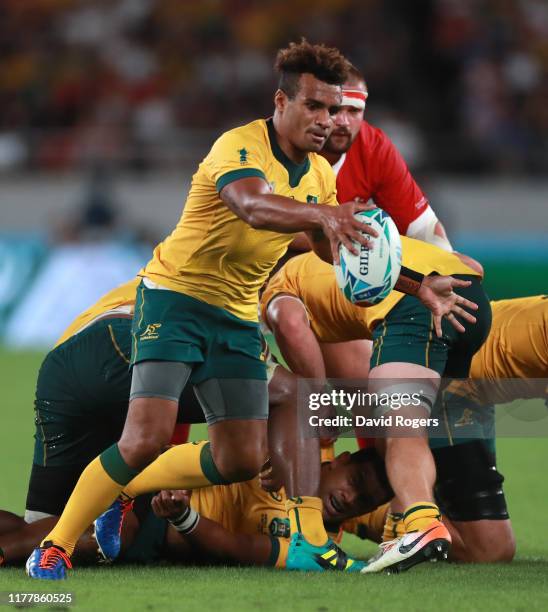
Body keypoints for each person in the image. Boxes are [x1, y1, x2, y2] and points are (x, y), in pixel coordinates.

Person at [27, 40, 478, 580]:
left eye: (333, 109)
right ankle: (53, 545)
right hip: (175, 301)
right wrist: (326, 215)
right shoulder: (238, 146)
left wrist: (414, 284)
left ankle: (142, 494)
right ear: (281, 102)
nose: (326, 121)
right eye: (313, 106)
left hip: (236, 319)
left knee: (240, 458)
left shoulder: (318, 176)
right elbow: (252, 205)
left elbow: (329, 250)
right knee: (145, 437)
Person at [261, 238, 491, 572]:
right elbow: (472, 266)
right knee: (408, 429)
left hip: (415, 312)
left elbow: (290, 322)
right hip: (470, 305)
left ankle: (420, 524)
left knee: (401, 430)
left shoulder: (280, 283)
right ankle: (408, 524)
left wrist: (317, 399)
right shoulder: (343, 254)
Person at [2, 448, 392, 568]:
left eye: (364, 501)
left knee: (26, 526)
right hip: (155, 477)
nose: (350, 498)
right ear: (339, 460)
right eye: (355, 483)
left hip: (169, 519)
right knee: (117, 533)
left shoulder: (316, 542)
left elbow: (236, 548)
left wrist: (183, 517)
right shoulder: (299, 442)